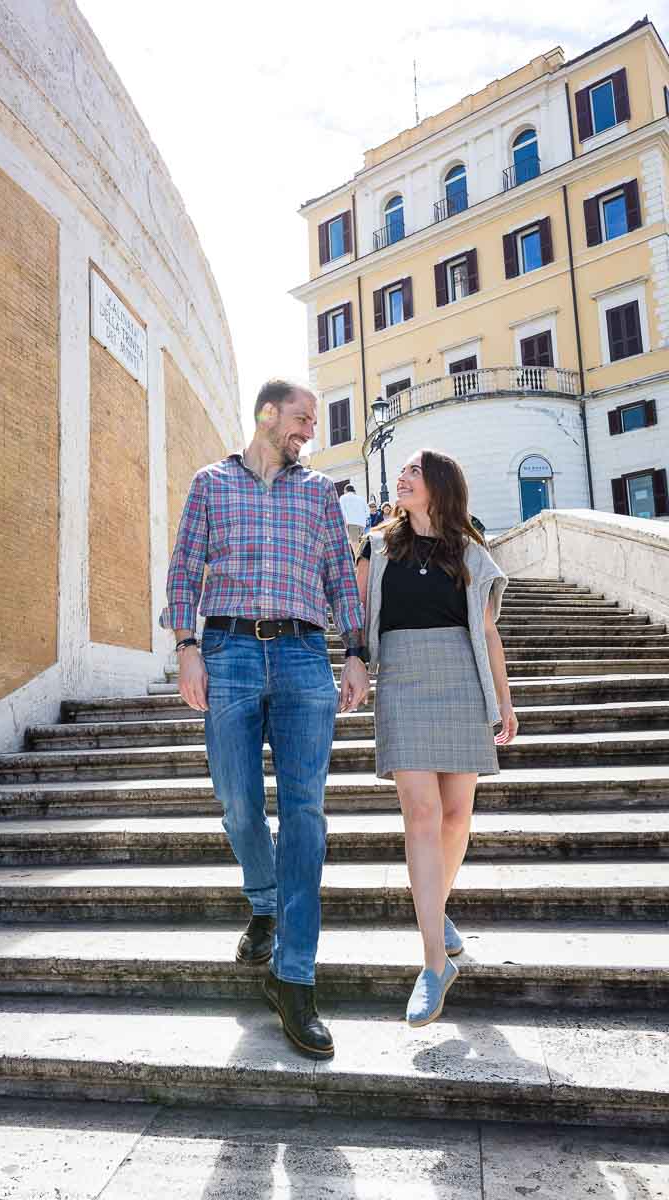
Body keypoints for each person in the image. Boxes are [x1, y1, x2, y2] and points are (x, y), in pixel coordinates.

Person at [161, 379, 371, 1059]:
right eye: (303, 419)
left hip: (306, 655)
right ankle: (263, 899)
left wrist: (356, 653)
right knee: (238, 804)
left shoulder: (317, 493)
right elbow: (184, 569)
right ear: (267, 414)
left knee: (305, 813)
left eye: (312, 423)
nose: (310, 431)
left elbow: (342, 574)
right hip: (227, 652)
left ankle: (295, 978)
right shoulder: (209, 484)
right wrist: (187, 650)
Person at [356, 448, 518, 1028]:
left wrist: (504, 699)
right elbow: (355, 618)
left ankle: (436, 908)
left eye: (413, 473)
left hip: (461, 678)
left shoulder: (471, 552)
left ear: (439, 487)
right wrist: (354, 663)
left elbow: (489, 632)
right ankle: (432, 964)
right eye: (400, 472)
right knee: (421, 815)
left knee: (455, 817)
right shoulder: (377, 547)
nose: (401, 478)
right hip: (402, 676)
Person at [339, 483, 370, 556]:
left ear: (345, 490)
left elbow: (342, 511)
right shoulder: (361, 498)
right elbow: (367, 511)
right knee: (361, 545)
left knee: (355, 546)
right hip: (362, 524)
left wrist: (345, 523)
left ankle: (358, 563)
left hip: (351, 523)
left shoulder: (343, 498)